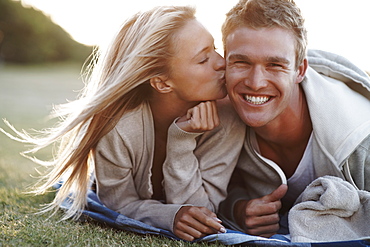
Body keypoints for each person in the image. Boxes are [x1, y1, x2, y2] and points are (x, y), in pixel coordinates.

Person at [2, 6, 246, 241]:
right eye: (204, 59)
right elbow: (118, 203)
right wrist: (167, 216)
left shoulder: (229, 120)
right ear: (162, 82)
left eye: (215, 48)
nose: (221, 62)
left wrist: (181, 142)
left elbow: (203, 213)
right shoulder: (117, 126)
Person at [218, 0, 370, 239]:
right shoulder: (219, 115)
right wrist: (237, 208)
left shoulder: (360, 144)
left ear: (300, 70)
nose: (255, 82)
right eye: (242, 62)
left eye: (274, 65)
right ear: (224, 62)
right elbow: (216, 184)